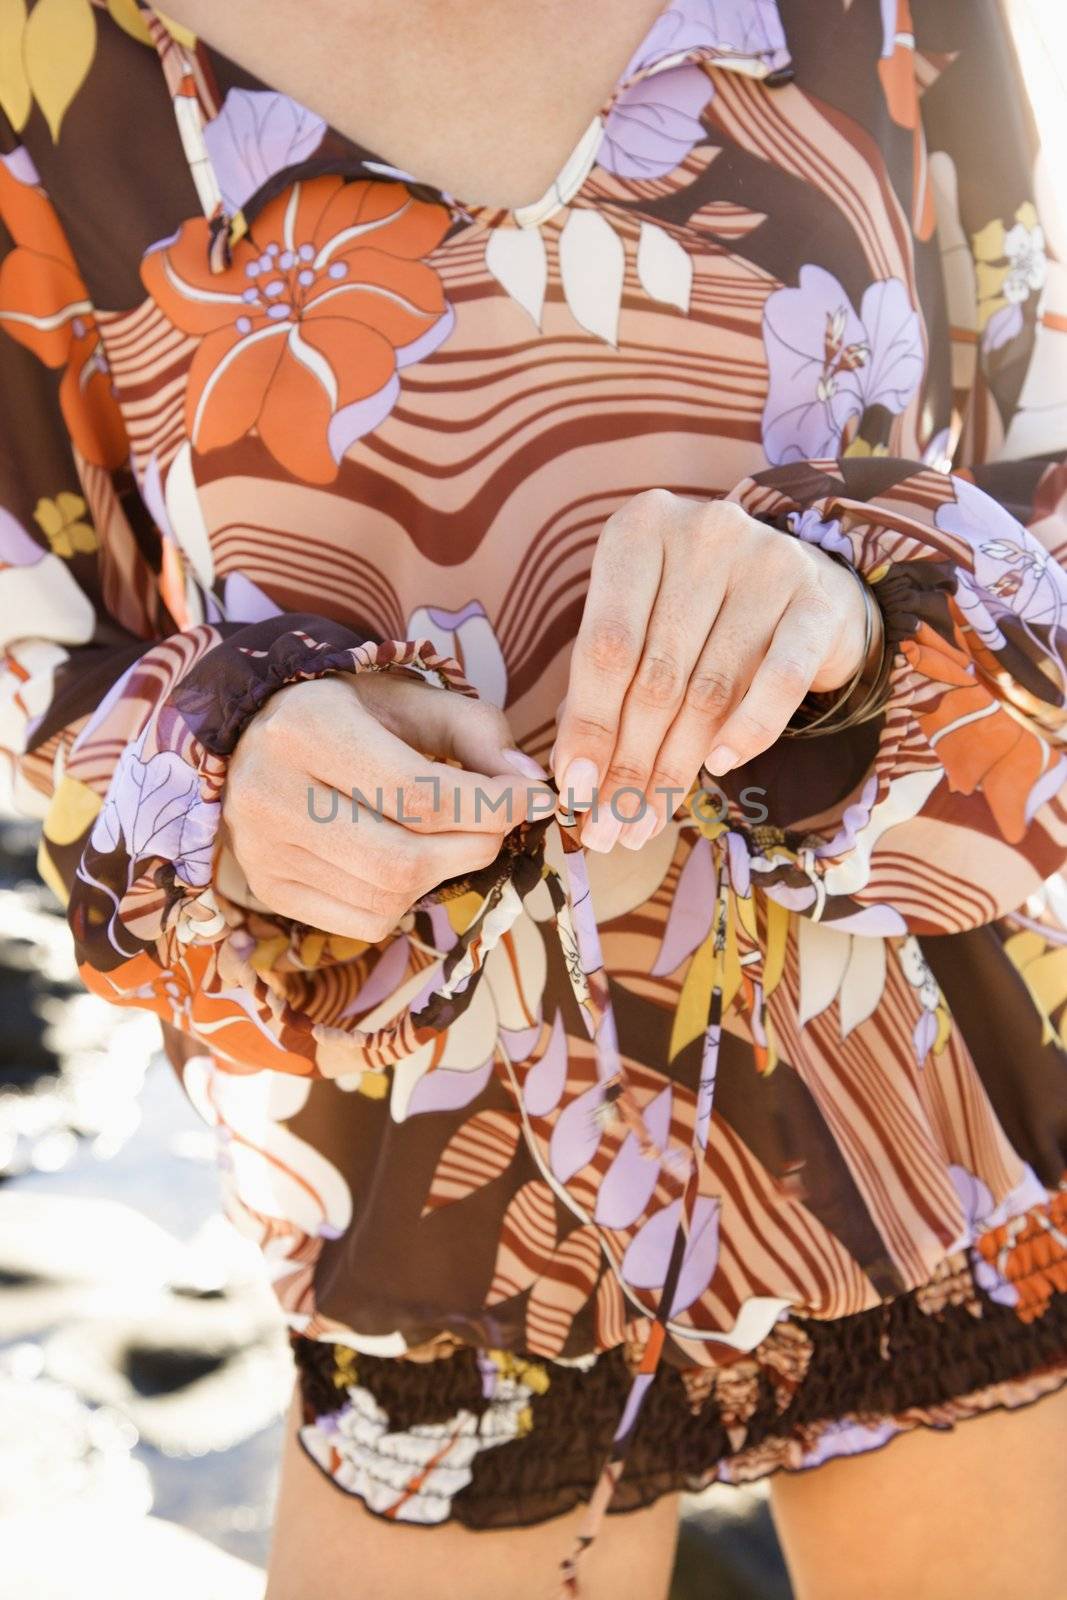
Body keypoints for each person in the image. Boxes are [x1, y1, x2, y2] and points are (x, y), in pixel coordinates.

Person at [2, 1, 1066, 1595]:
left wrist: (850, 619)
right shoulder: (48, 67)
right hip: (430, 1210)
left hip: (955, 1137)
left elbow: (1040, 490)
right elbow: (46, 668)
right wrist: (230, 766)